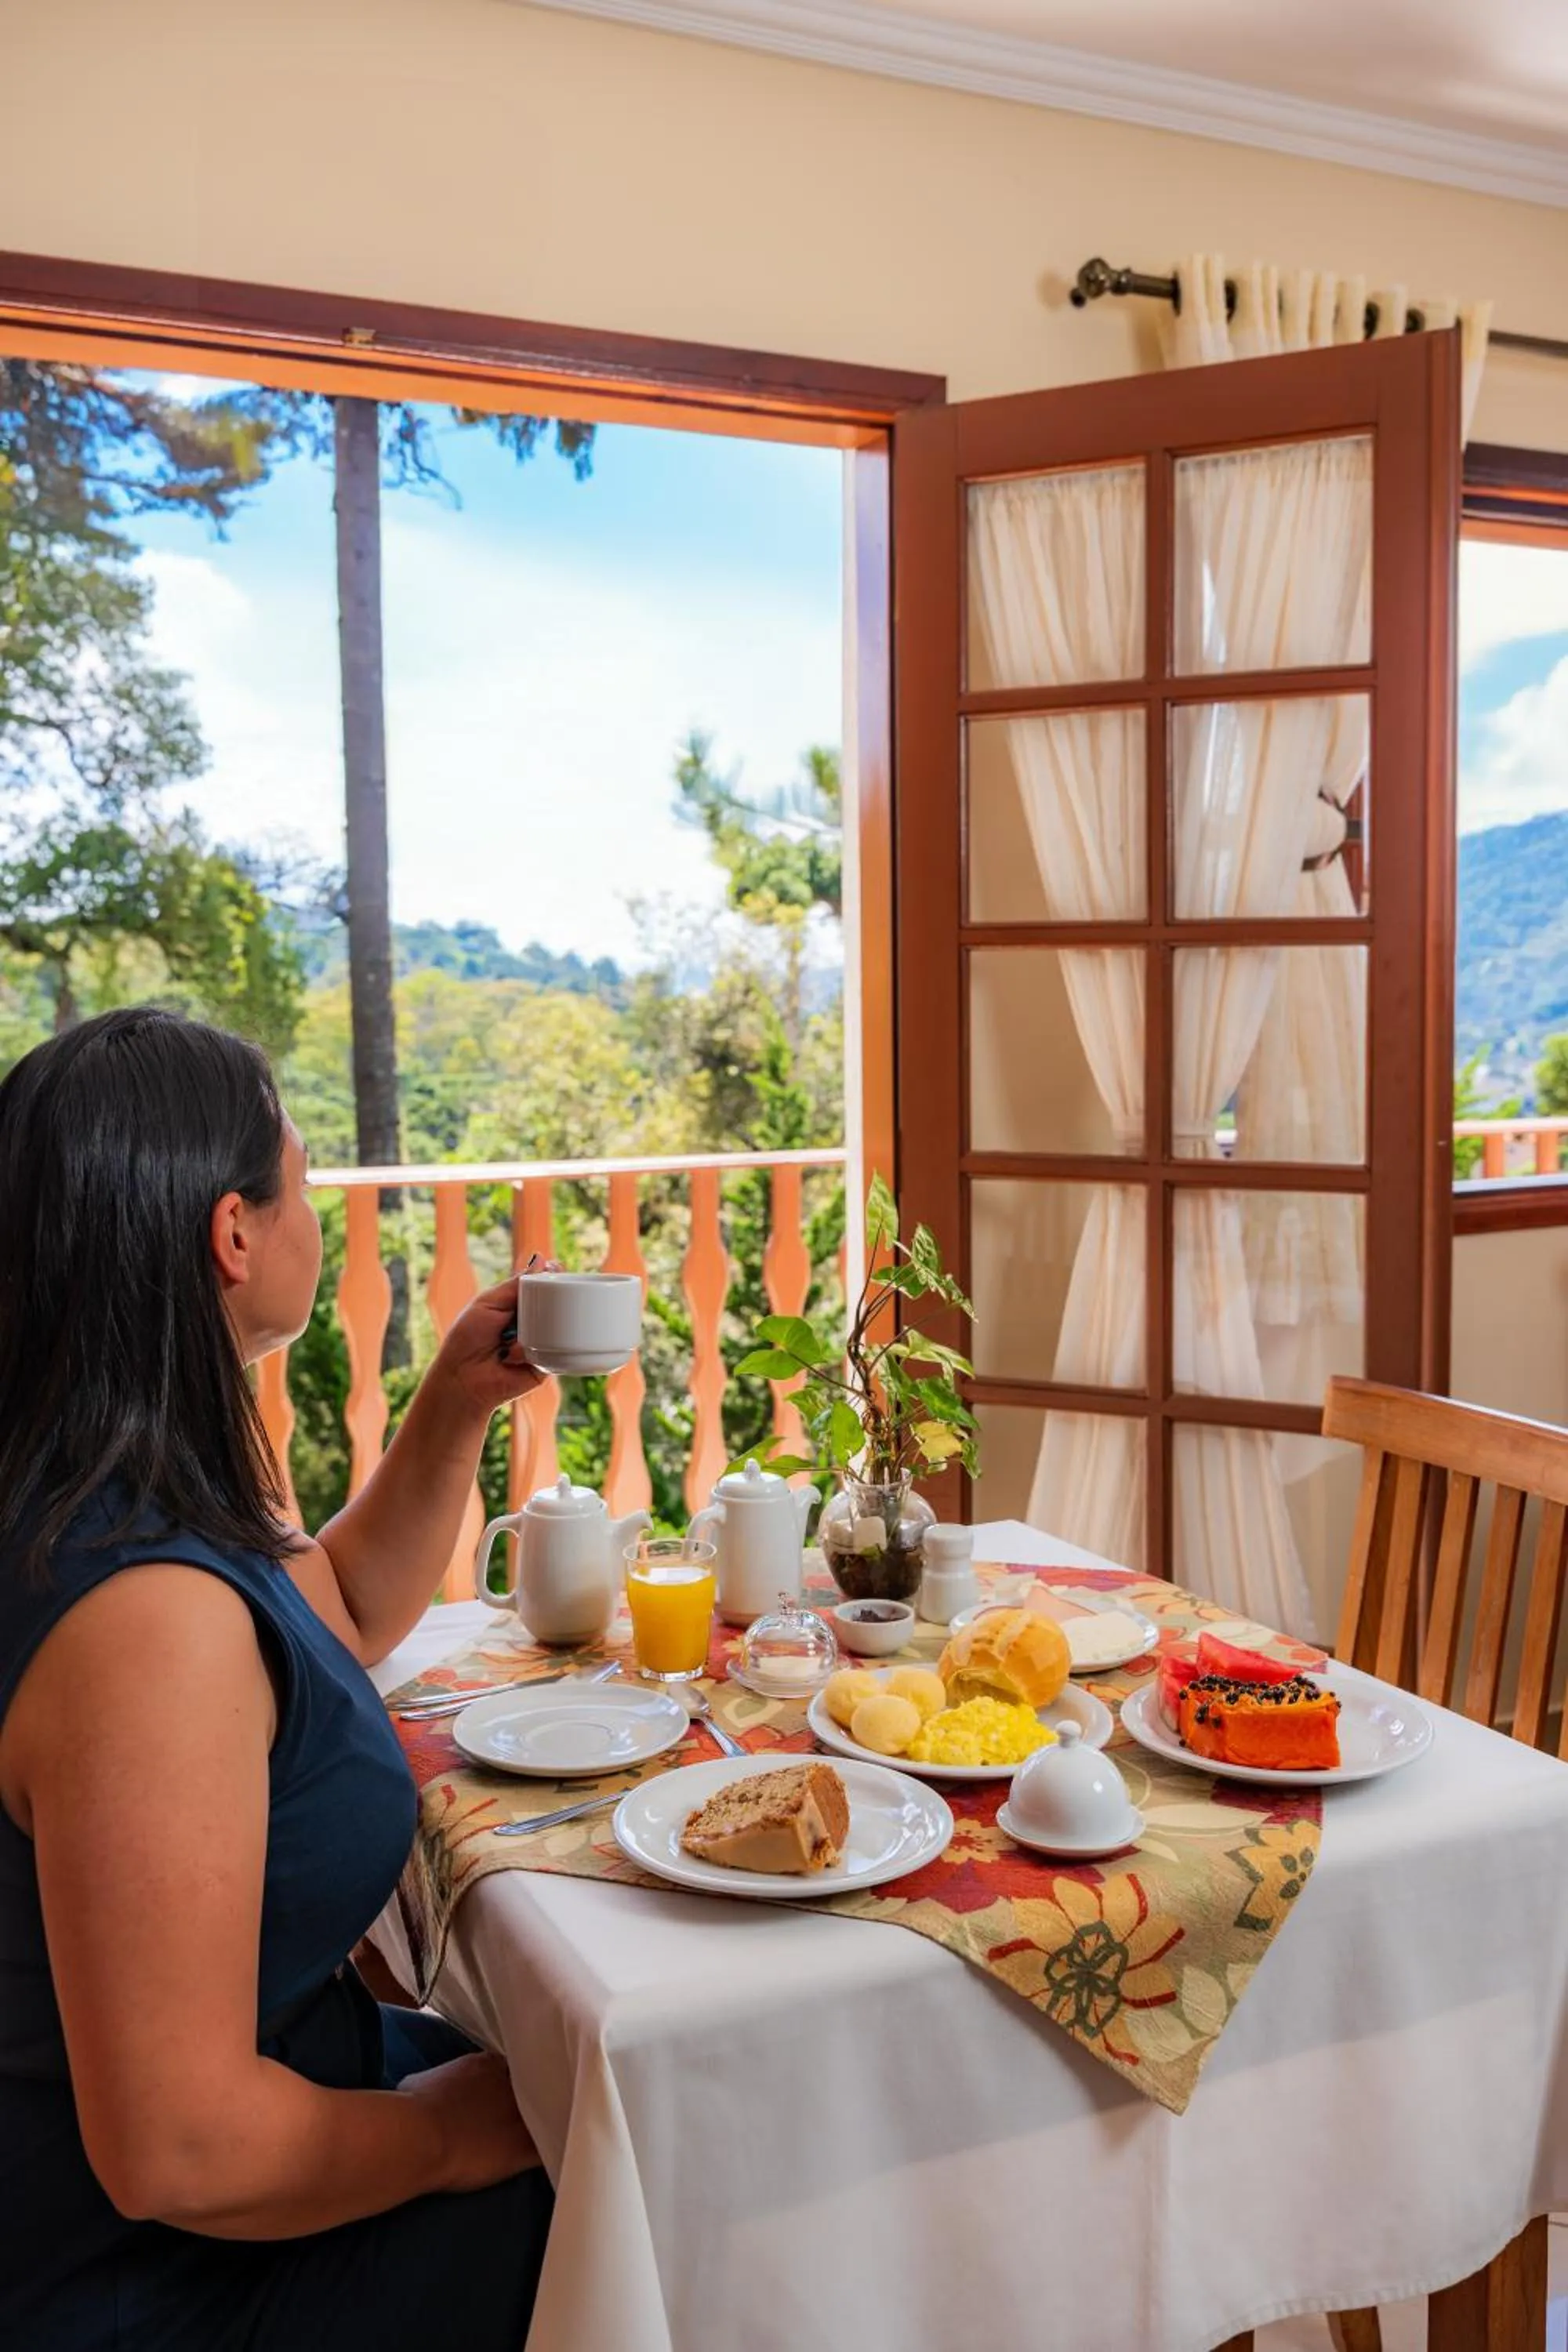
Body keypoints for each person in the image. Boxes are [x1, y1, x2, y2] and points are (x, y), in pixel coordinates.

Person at [0, 1008, 553, 2351]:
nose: (314, 1212)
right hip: (160, 2273)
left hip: (267, 2130)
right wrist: (437, 2137)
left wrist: (457, 1402)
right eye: (303, 1182)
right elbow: (184, 2152)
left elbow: (342, 1613)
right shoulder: (146, 1624)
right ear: (233, 1235)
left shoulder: (108, 1484)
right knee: (677, 2192)